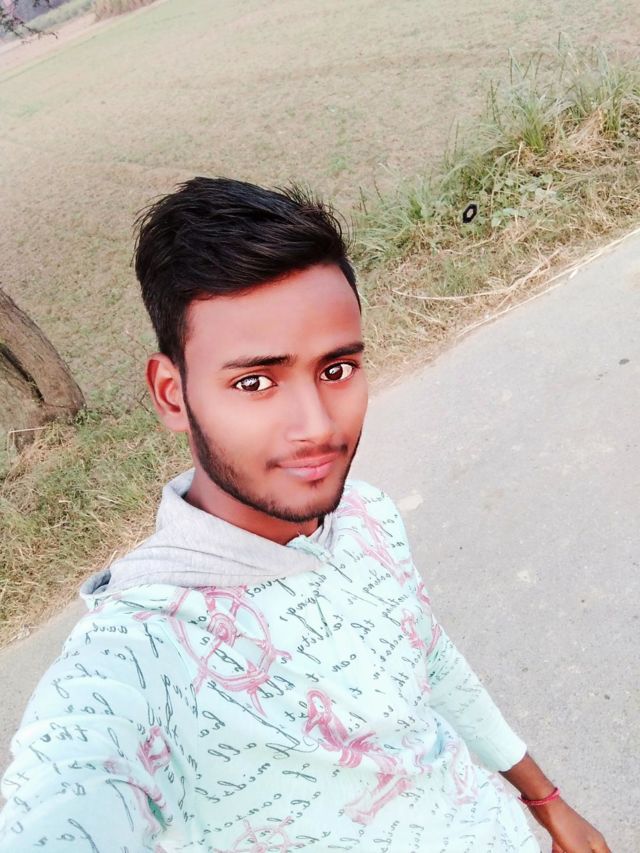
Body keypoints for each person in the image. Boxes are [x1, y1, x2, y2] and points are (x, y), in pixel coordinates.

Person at [0, 178, 609, 853]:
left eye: (337, 369)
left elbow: (431, 661)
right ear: (172, 395)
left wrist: (546, 800)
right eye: (255, 382)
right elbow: (65, 795)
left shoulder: (368, 513)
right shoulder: (141, 653)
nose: (317, 426)